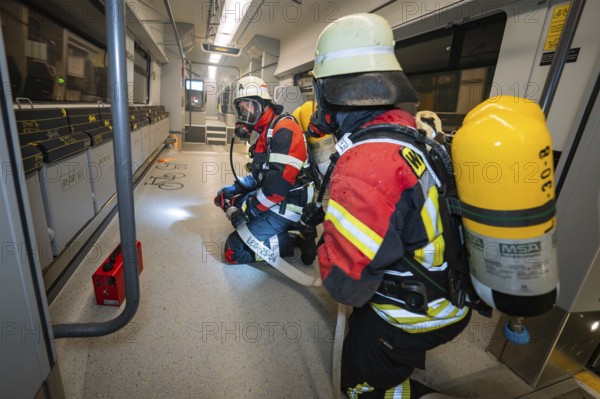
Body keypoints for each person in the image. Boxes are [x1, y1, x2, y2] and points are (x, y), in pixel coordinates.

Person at [309, 14, 472, 398]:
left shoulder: (366, 165)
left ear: (328, 90)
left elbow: (345, 287)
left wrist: (327, 238)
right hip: (450, 291)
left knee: (359, 384)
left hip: (414, 313)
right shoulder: (408, 132)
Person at [215, 76, 315, 265]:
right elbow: (262, 177)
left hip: (290, 204)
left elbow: (276, 189)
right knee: (230, 197)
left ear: (262, 103)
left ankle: (291, 241)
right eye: (240, 107)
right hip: (276, 196)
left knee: (233, 252)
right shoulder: (265, 132)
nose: (244, 112)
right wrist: (235, 188)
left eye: (248, 105)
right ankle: (272, 229)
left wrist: (245, 212)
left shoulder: (284, 130)